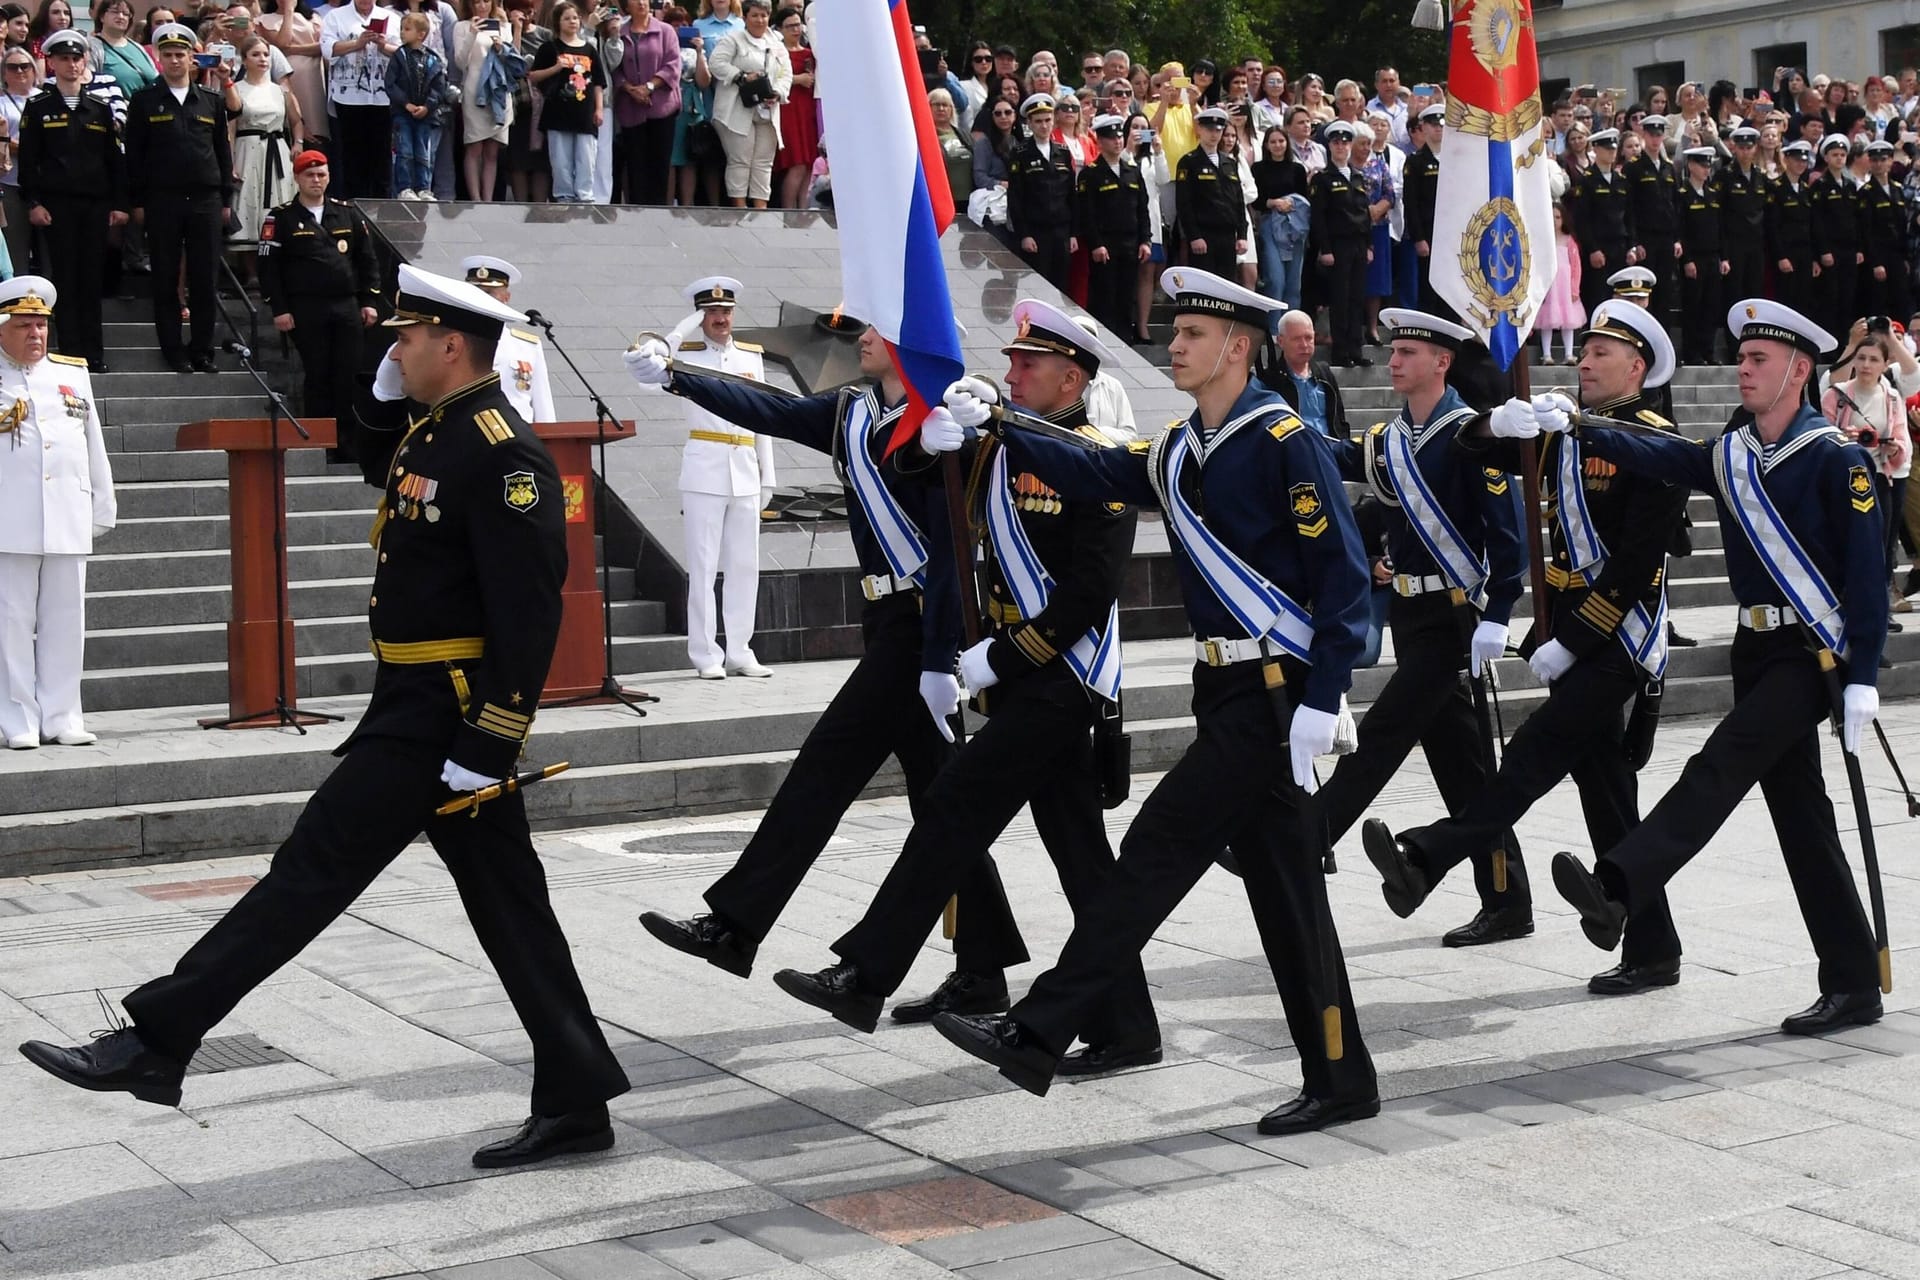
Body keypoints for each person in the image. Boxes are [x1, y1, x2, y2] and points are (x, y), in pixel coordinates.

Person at [22, 264, 633, 1161]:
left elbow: (531, 611)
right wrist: (383, 396)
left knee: (310, 873)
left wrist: (491, 740)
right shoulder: (443, 428)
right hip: (419, 706)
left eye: (406, 338)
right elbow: (377, 463)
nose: (395, 347)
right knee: (512, 913)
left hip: (444, 719)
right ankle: (577, 1098)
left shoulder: (503, 451)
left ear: (451, 345)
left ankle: (157, 1040)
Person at [929, 268, 1378, 1135]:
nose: (1172, 345)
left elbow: (1345, 579)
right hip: (1223, 687)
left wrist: (1327, 695)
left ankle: (1040, 1027)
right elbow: (1092, 464)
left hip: (1275, 695)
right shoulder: (1179, 448)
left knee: (1157, 845)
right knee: (1288, 897)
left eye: (1191, 336)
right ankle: (1341, 1074)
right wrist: (1005, 424)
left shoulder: (1287, 441)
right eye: (1172, 333)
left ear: (1238, 349)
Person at [772, 300, 1160, 1072]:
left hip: (1062, 678)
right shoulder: (1005, 445)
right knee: (1081, 857)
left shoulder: (1104, 459)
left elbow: (1088, 597)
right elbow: (921, 471)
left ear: (1071, 376)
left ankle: (866, 973)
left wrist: (1001, 659)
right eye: (1010, 361)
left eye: (1027, 364)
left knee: (952, 806)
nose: (1011, 372)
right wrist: (932, 434)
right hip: (1013, 676)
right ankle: (1127, 1028)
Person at [624, 321, 1032, 1021]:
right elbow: (767, 408)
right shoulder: (852, 412)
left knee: (824, 771)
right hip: (886, 626)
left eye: (876, 328)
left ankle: (736, 925)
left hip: (919, 632)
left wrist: (939, 659)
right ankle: (983, 967)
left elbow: (950, 555)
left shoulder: (940, 424)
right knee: (942, 808)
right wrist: (675, 376)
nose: (860, 337)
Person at [1549, 299, 1889, 1036]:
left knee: (1720, 762)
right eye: (1742, 357)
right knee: (1803, 819)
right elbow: (1665, 455)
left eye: (1759, 360)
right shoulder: (1735, 453)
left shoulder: (1836, 458)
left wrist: (1864, 676)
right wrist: (1581, 425)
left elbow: (1868, 575)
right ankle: (1854, 980)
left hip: (1811, 654)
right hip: (1754, 649)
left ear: (1799, 371)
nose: (1743, 368)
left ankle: (1619, 886)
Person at [1368, 300, 1687, 989]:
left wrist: (1572, 639)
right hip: (1566, 632)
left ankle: (1428, 854)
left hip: (1617, 637)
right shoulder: (1561, 430)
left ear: (1636, 367)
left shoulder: (1655, 441)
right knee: (1607, 793)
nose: (1585, 361)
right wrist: (1496, 421)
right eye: (1585, 350)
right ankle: (1652, 946)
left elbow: (1636, 565)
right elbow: (1472, 450)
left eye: (1602, 353)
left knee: (1533, 754)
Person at [1313, 310, 1530, 947]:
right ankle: (1506, 900)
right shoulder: (1388, 441)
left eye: (1408, 351)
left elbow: (1508, 536)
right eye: (1394, 350)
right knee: (1464, 769)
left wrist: (1497, 615)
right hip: (1410, 612)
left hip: (1454, 617)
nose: (1395, 360)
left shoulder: (1468, 434)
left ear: (1442, 362)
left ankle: (1311, 831)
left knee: (1381, 732)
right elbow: (1350, 465)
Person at [0, 278, 113, 750]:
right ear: (2, 330)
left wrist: (102, 504)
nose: (36, 335)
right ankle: (17, 719)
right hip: (10, 517)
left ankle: (62, 715)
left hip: (67, 512)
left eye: (42, 325)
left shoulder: (72, 374)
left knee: (68, 621)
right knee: (10, 623)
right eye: (24, 325)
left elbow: (92, 443)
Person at [662, 275, 771, 677]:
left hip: (744, 469)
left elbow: (765, 416)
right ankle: (706, 654)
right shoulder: (686, 356)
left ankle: (741, 649)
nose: (720, 318)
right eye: (710, 312)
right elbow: (649, 371)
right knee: (704, 567)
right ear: (699, 316)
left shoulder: (750, 357)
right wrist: (678, 333)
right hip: (704, 469)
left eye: (725, 311)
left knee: (745, 565)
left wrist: (769, 476)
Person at [18, 29, 127, 373]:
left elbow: (114, 161)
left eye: (76, 58)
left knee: (91, 279)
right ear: (51, 63)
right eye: (63, 58)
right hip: (57, 205)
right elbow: (30, 161)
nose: (71, 64)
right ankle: (69, 350)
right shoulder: (38, 107)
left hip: (94, 205)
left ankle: (94, 352)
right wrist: (33, 202)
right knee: (64, 277)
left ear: (85, 63)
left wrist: (119, 203)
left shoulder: (99, 108)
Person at [125, 22, 231, 375]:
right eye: (167, 55)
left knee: (205, 278)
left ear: (192, 58)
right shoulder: (144, 101)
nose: (174, 61)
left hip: (205, 199)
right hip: (162, 199)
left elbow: (221, 151)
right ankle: (173, 350)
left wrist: (226, 198)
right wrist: (136, 200)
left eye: (180, 54)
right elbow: (134, 157)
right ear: (158, 58)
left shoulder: (211, 101)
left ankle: (202, 350)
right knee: (166, 278)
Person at [258, 151, 379, 437]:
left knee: (348, 374)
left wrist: (369, 300)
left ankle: (347, 444)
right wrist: (279, 308)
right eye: (309, 175)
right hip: (306, 307)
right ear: (298, 178)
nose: (316, 180)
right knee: (318, 373)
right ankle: (319, 441)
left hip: (346, 305)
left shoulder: (346, 213)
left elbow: (367, 260)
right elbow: (268, 267)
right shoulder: (282, 217)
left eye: (321, 174)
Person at [1822, 328, 1912, 613]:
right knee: (1846, 544)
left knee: (1882, 546)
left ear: (1885, 365)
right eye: (1861, 358)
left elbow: (1898, 437)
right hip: (1844, 477)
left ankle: (1878, 610)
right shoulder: (1835, 395)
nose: (1866, 365)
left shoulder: (1893, 397)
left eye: (1874, 359)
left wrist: (1892, 447)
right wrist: (1843, 439)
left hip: (1881, 476)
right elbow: (1820, 437)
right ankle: (1844, 604)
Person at [1075, 114, 1149, 341]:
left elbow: (1142, 208)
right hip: (1106, 244)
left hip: (1130, 243)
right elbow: (1086, 213)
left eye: (1119, 137)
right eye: (1111, 138)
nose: (1117, 142)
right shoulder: (1091, 173)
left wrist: (1145, 240)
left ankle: (1126, 339)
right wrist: (1096, 243)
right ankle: (1106, 339)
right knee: (1105, 296)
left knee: (1126, 296)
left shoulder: (1132, 170)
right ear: (1100, 141)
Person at [706, 0, 785, 209]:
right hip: (736, 110)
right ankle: (739, 209)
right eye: (755, 15)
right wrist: (741, 76)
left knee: (763, 162)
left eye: (764, 15)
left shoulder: (777, 42)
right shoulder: (733, 39)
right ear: (745, 18)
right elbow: (715, 64)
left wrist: (778, 93)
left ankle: (761, 211)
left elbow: (786, 74)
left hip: (767, 111)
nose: (760, 20)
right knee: (740, 160)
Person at [458, 255, 555, 424]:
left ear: (506, 298)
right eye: (476, 292)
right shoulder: (454, 342)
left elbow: (543, 407)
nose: (482, 299)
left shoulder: (527, 346)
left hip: (519, 442)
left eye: (490, 293)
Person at [318, 0, 400, 199]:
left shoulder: (393, 18)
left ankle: (382, 209)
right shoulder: (336, 17)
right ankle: (353, 210)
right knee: (352, 159)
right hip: (349, 97)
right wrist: (358, 43)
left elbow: (402, 52)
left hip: (382, 97)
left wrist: (383, 45)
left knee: (382, 159)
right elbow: (328, 49)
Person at [527, 0, 604, 203]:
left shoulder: (589, 49)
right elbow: (533, 76)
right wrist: (556, 68)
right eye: (567, 18)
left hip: (584, 113)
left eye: (575, 18)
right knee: (560, 160)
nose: (572, 22)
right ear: (558, 22)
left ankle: (585, 196)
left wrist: (599, 109)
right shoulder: (549, 48)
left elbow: (598, 82)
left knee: (586, 158)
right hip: (557, 113)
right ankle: (564, 196)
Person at [1312, 120, 1372, 367]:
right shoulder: (1323, 179)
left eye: (1345, 142)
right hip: (1337, 245)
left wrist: (1369, 245)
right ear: (1329, 146)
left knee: (1357, 298)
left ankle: (1356, 349)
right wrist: (1325, 249)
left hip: (1358, 244)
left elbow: (1365, 214)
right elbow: (1319, 217)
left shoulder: (1357, 176)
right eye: (1336, 143)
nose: (1341, 147)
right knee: (1340, 299)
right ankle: (1341, 351)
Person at [609, 0, 678, 205]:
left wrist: (649, 87)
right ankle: (636, 212)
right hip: (631, 108)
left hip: (661, 107)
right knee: (635, 165)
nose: (641, 3)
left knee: (659, 164)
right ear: (626, 6)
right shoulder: (619, 32)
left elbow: (673, 65)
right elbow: (613, 67)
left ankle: (657, 212)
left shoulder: (665, 31)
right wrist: (629, 88)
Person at [1006, 93, 1075, 289]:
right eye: (1038, 121)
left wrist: (1073, 233)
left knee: (1061, 284)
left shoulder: (1062, 151)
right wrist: (1024, 234)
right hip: (1036, 231)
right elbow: (1016, 198)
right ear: (1029, 123)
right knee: (1038, 285)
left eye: (1047, 120)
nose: (1044, 126)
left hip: (1061, 230)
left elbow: (1071, 194)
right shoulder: (1020, 153)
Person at [454, 0, 519, 203]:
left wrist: (502, 48)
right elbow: (460, 62)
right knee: (474, 147)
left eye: (486, 1)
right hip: (474, 92)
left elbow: (514, 61)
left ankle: (488, 200)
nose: (481, 6)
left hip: (498, 93)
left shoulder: (503, 25)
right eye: (477, 2)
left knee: (492, 150)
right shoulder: (462, 26)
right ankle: (475, 198)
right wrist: (472, 34)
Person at [1174, 105, 1246, 281]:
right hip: (1204, 234)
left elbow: (1238, 201)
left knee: (1227, 285)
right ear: (1199, 129)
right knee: (1204, 287)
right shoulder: (1189, 162)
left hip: (1228, 234)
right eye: (1209, 129)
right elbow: (1184, 203)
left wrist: (1242, 235)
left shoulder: (1229, 162)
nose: (1214, 134)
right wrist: (1194, 236)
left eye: (1218, 130)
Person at [382, 10, 447, 200]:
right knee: (404, 149)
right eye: (401, 29)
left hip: (426, 114)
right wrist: (406, 104)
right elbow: (390, 84)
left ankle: (424, 187)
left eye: (407, 29)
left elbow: (439, 87)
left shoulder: (433, 59)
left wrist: (428, 106)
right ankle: (404, 187)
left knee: (423, 151)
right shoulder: (399, 56)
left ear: (421, 34)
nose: (402, 32)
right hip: (403, 113)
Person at [1568, 129, 1633, 316]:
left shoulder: (1621, 180)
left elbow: (1629, 215)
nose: (1611, 153)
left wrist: (1632, 245)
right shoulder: (1587, 180)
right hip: (1599, 247)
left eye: (1613, 149)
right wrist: (1593, 248)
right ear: (1595, 149)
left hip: (1619, 246)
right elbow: (1582, 219)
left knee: (1619, 298)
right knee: (1598, 298)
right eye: (1606, 149)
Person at [1623, 114, 1678, 321]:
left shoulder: (1668, 167)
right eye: (1652, 134)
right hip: (1646, 237)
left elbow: (1675, 205)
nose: (1656, 139)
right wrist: (1635, 241)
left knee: (1665, 291)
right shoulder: (1633, 167)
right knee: (1645, 292)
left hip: (1666, 237)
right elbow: (1631, 208)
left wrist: (1677, 238)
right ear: (1644, 134)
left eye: (1659, 134)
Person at [1676, 146, 1725, 365]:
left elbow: (1721, 228)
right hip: (1694, 257)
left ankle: (1708, 351)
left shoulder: (1713, 194)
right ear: (1691, 166)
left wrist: (1724, 257)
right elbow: (1681, 229)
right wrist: (1686, 259)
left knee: (1711, 306)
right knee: (1693, 307)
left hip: (1713, 257)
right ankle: (1692, 352)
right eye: (1702, 165)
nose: (1706, 170)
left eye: (1709, 165)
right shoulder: (1683, 195)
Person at [1271, 308, 1350, 441]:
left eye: (1309, 338)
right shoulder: (1271, 380)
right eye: (1297, 339)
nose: (1304, 345)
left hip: (1330, 450)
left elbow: (1340, 420)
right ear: (1280, 341)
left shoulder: (1324, 373)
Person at [1811, 135, 1862, 341]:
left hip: (1849, 250)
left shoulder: (1850, 185)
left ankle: (1844, 341)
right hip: (1831, 250)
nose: (1839, 159)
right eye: (1835, 155)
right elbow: (1817, 222)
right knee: (1830, 298)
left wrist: (1859, 248)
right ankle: (1829, 343)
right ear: (1826, 157)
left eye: (1842, 155)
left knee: (1848, 298)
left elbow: (1856, 220)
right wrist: (1823, 250)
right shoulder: (1820, 185)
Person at [1715, 126, 1768, 314]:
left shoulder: (1761, 177)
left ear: (1755, 148)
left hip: (1756, 243)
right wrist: (1724, 252)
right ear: (1734, 148)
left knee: (1755, 294)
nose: (1745, 152)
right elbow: (1719, 215)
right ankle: (1733, 341)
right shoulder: (1724, 176)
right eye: (1741, 147)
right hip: (1734, 243)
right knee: (1735, 295)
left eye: (1749, 147)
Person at [1859, 139, 1911, 323]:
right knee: (1880, 303)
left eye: (1883, 159)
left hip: (1897, 255)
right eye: (1874, 160)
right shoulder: (1866, 191)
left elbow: (1902, 225)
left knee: (1901, 302)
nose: (1879, 164)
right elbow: (1866, 230)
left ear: (1890, 161)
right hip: (1879, 255)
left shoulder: (1897, 189)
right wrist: (1875, 262)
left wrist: (1905, 257)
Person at [769, 4, 813, 209]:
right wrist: (798, 79)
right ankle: (789, 211)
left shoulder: (810, 52)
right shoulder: (776, 52)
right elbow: (771, 78)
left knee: (809, 164)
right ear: (780, 29)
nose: (796, 29)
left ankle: (803, 210)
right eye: (790, 26)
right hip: (788, 110)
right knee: (796, 164)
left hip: (807, 111)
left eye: (798, 25)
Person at [1767, 139, 1816, 315]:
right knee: (1786, 300)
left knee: (1803, 300)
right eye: (1796, 160)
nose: (1800, 164)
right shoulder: (1777, 188)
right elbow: (1772, 226)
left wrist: (1813, 258)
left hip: (1804, 252)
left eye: (1803, 160)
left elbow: (1811, 226)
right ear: (1786, 160)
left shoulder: (1806, 189)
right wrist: (1781, 256)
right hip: (1787, 252)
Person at [1402, 103, 1443, 314]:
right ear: (1424, 128)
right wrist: (1418, 237)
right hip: (1428, 231)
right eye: (1433, 125)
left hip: (1452, 234)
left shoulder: (1456, 160)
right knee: (1428, 289)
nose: (1438, 129)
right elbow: (1411, 203)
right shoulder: (1415, 162)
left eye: (1442, 125)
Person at [1538, 202, 1585, 365]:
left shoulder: (1569, 240)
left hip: (1565, 286)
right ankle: (1546, 354)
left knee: (1568, 320)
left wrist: (1574, 289)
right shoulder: (1542, 241)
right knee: (1547, 319)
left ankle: (1569, 353)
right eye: (1551, 217)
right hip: (1550, 286)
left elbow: (1576, 266)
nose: (1554, 221)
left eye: (1557, 217)